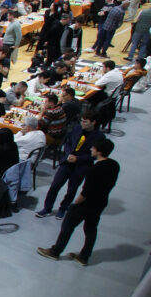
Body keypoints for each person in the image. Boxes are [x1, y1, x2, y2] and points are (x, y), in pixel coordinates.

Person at [38, 138, 119, 266]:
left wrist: (75, 203)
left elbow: (86, 191)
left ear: (99, 151)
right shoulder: (114, 165)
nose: (91, 149)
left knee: (67, 227)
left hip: (86, 204)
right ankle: (84, 256)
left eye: (93, 148)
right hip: (100, 203)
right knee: (91, 229)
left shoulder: (95, 169)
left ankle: (55, 251)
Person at [36, 112, 105, 219]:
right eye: (82, 121)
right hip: (67, 162)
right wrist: (68, 154)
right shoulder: (77, 128)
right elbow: (68, 142)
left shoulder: (99, 137)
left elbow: (96, 156)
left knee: (71, 190)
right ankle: (47, 208)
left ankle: (63, 208)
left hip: (81, 167)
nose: (82, 123)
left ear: (93, 122)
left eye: (85, 122)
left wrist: (78, 159)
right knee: (54, 186)